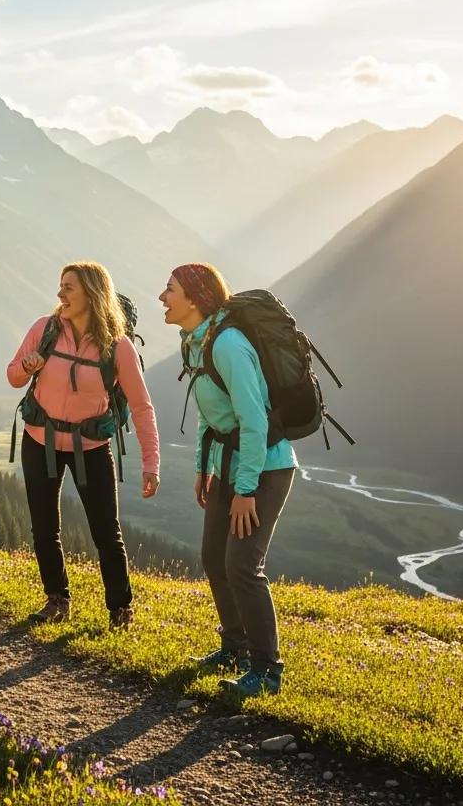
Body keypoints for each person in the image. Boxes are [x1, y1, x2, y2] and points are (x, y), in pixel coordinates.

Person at [160, 263, 296, 697]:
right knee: (213, 558)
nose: (162, 297)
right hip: (228, 464)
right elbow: (211, 413)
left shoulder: (229, 345)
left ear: (195, 299)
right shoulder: (195, 343)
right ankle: (234, 648)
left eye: (170, 289)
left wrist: (246, 489)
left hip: (265, 467)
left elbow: (254, 422)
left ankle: (267, 670)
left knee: (242, 566)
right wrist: (204, 468)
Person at [7, 262, 160, 630]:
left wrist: (151, 463)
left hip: (90, 447)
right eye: (61, 286)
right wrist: (27, 367)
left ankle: (120, 610)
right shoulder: (43, 329)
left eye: (68, 288)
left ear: (91, 294)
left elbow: (141, 406)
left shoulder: (118, 346)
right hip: (39, 440)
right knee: (44, 527)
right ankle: (56, 600)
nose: (60, 294)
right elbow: (13, 376)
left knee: (106, 530)